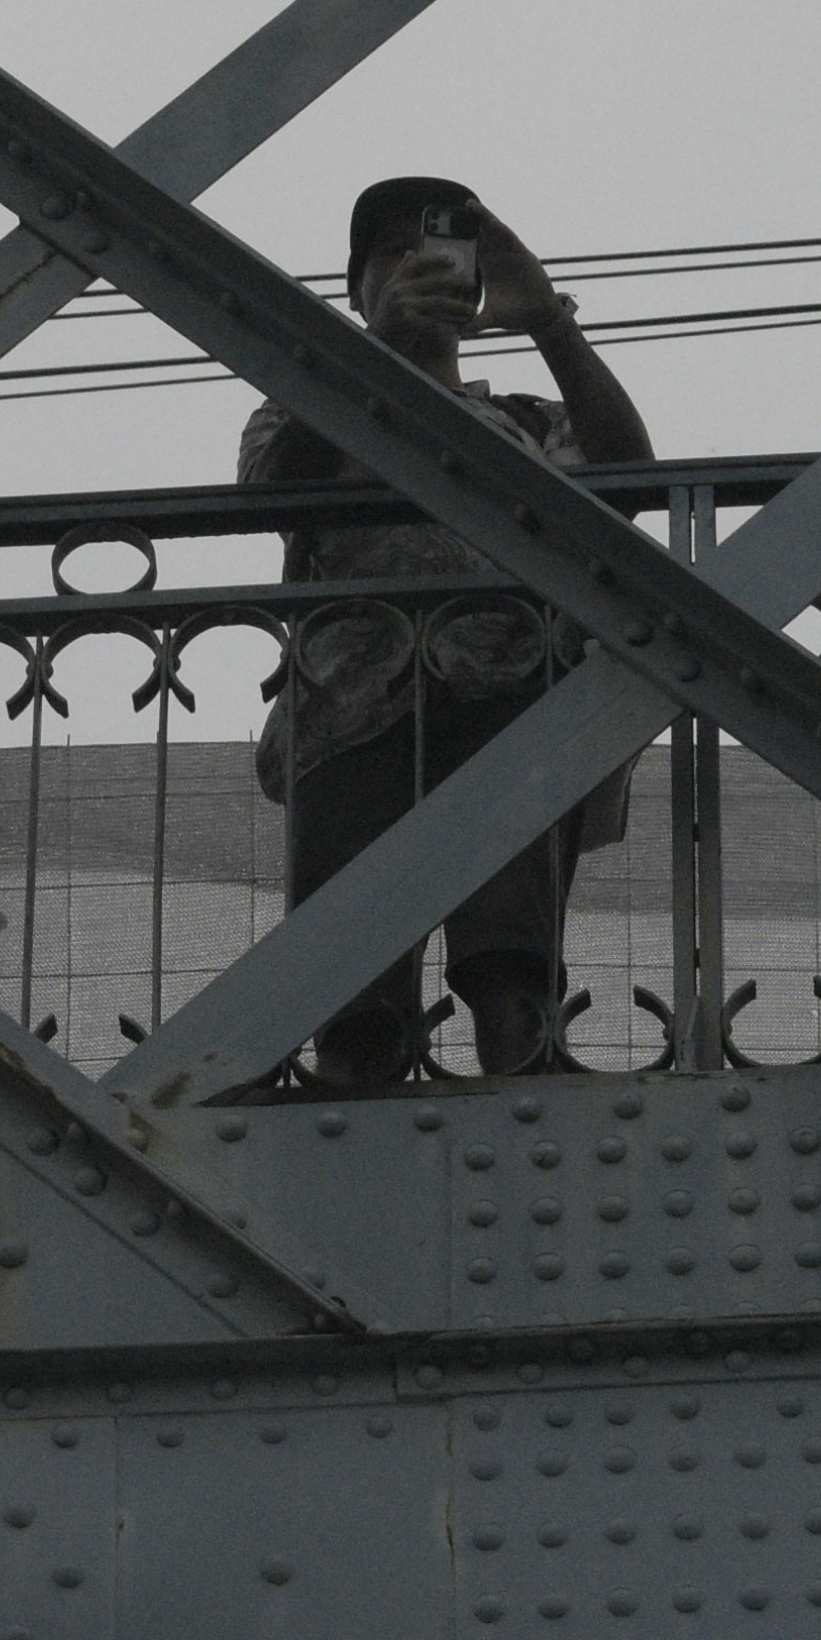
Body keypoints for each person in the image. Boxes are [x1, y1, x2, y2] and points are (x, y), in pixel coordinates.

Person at [244, 176, 652, 1090]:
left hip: (512, 701)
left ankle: (521, 1100)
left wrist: (549, 321)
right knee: (355, 999)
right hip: (349, 712)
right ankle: (356, 1126)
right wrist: (375, 355)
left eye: (433, 255)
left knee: (510, 967)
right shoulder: (308, 400)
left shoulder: (528, 420)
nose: (412, 269)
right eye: (390, 256)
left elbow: (630, 482)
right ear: (355, 293)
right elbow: (272, 492)